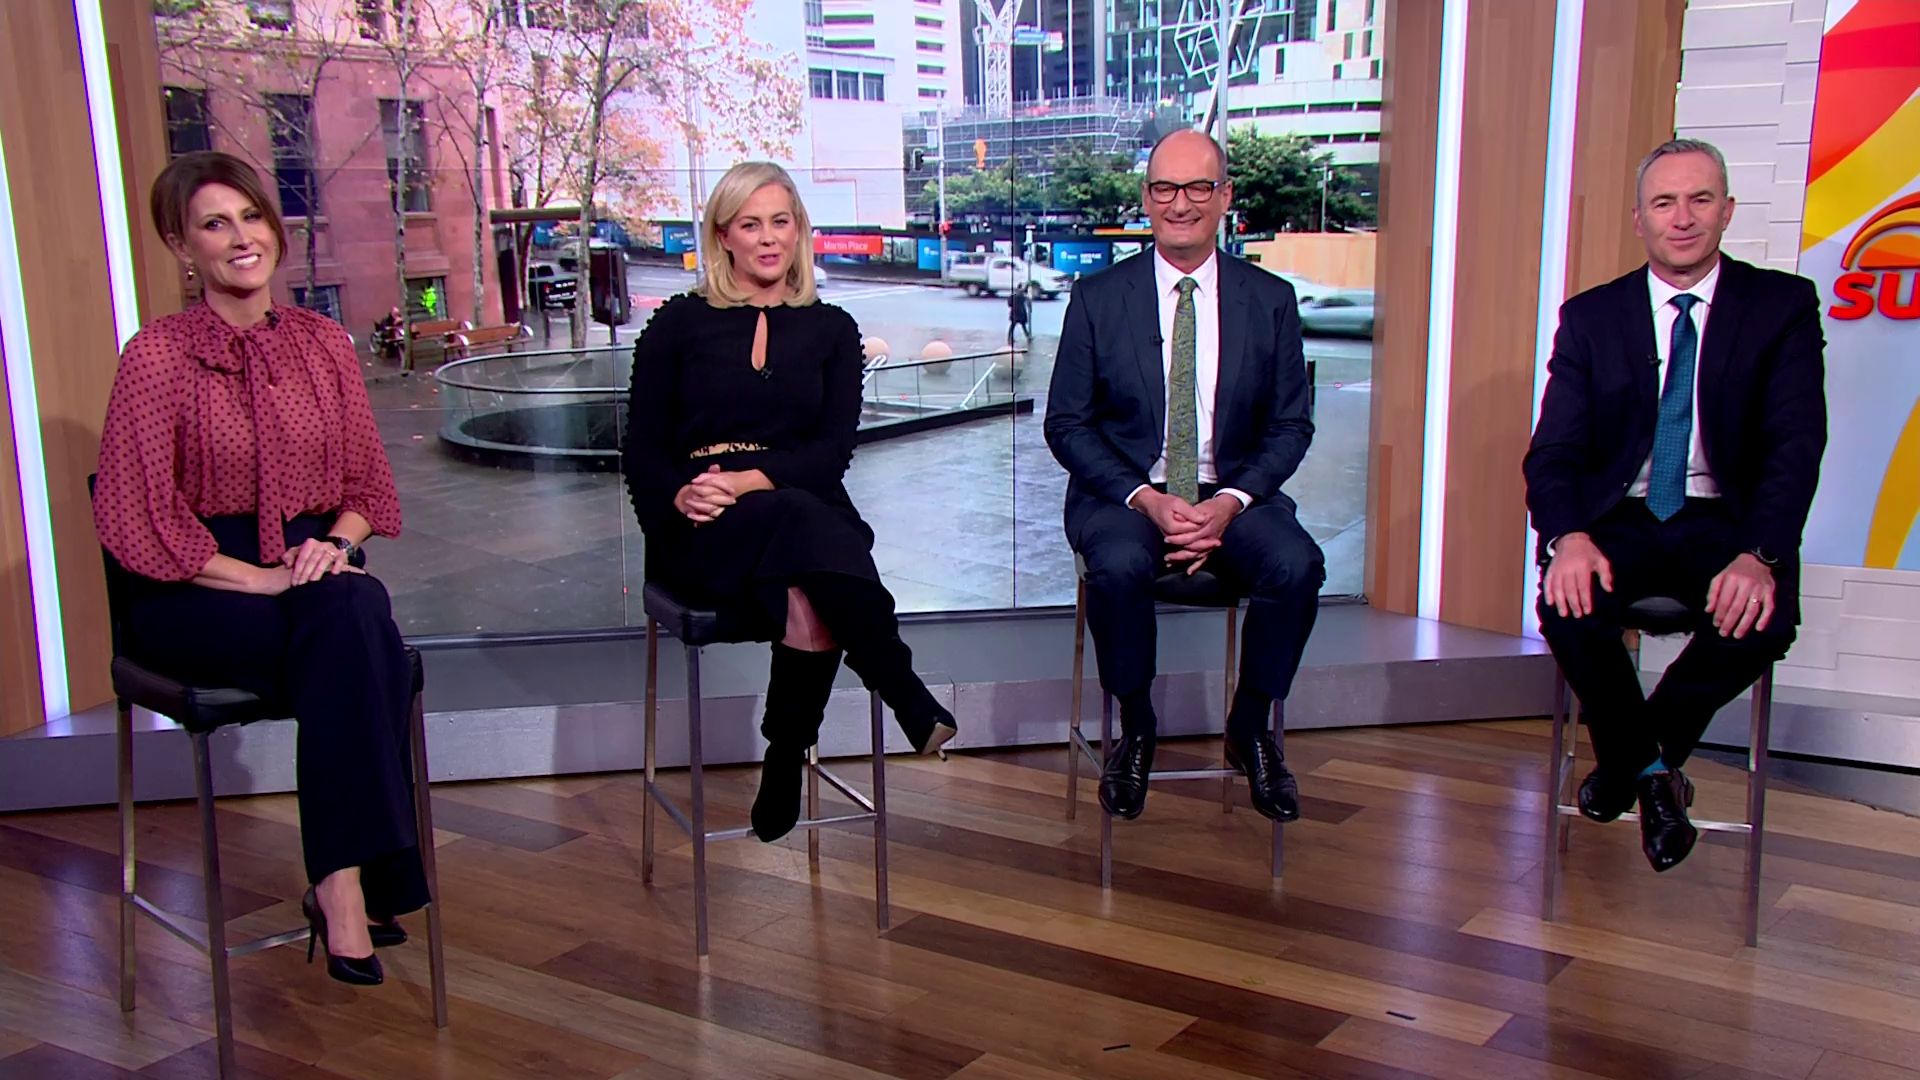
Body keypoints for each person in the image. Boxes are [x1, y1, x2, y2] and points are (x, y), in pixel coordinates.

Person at [92, 152, 426, 986]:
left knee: (352, 611)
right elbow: (136, 514)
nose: (241, 238)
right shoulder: (156, 356)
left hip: (312, 568)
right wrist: (260, 577)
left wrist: (335, 547)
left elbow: (366, 488)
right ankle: (358, 883)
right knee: (361, 636)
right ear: (182, 247)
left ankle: (339, 882)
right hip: (192, 584)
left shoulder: (323, 344)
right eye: (215, 224)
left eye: (250, 217)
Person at [624, 161, 958, 844]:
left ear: (800, 230)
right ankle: (900, 687)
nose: (769, 238)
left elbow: (831, 452)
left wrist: (749, 480)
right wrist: (681, 493)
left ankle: (784, 753)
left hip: (796, 512)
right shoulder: (677, 323)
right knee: (816, 537)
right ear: (723, 236)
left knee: (807, 555)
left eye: (781, 222)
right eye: (751, 224)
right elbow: (642, 448)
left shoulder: (832, 329)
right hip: (703, 526)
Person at [1525, 138, 1826, 872]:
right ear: (1640, 219)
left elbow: (1795, 446)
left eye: (1700, 200)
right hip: (1619, 517)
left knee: (1763, 617)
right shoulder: (1593, 317)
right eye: (1665, 202)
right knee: (1567, 603)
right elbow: (1554, 453)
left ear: (1727, 211)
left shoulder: (1780, 306)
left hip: (1727, 520)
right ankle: (1657, 780)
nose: (1682, 218)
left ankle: (1630, 766)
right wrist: (1567, 536)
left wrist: (1761, 555)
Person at [1044, 130, 1323, 824]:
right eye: (1165, 188)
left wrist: (1228, 503)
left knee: (1296, 564)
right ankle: (1137, 728)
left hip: (1233, 493)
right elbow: (1067, 424)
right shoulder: (1099, 298)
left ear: (1224, 197)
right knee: (1116, 564)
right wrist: (1147, 498)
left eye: (1198, 187)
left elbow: (1292, 426)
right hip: (1126, 494)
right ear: (1147, 198)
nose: (1181, 204)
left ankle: (1249, 728)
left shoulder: (1270, 300)